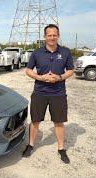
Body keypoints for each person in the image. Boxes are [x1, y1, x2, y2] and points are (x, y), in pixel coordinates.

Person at [22, 24, 74, 164]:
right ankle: (30, 145)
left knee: (59, 122)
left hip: (58, 93)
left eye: (54, 35)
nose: (52, 37)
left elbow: (70, 70)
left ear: (58, 35)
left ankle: (61, 149)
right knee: (35, 121)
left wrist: (60, 77)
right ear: (45, 36)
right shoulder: (37, 53)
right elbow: (28, 70)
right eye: (49, 35)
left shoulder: (65, 52)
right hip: (40, 92)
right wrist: (40, 77)